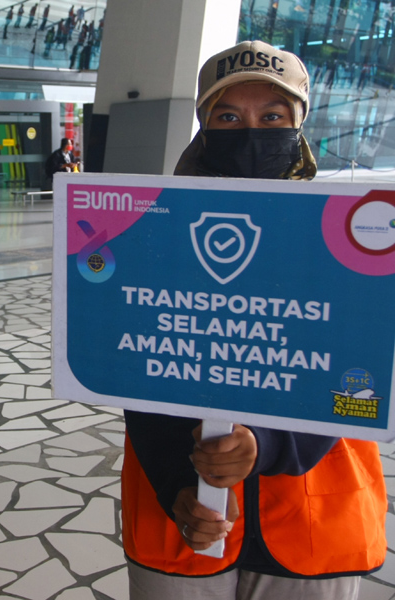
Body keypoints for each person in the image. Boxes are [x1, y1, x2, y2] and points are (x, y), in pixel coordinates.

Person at [122, 40, 386, 600]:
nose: (249, 133)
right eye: (227, 117)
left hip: (311, 521)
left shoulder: (347, 240)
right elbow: (136, 369)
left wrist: (266, 444)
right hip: (183, 519)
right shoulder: (152, 232)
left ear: (298, 126)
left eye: (271, 117)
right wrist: (177, 484)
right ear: (203, 126)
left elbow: (359, 380)